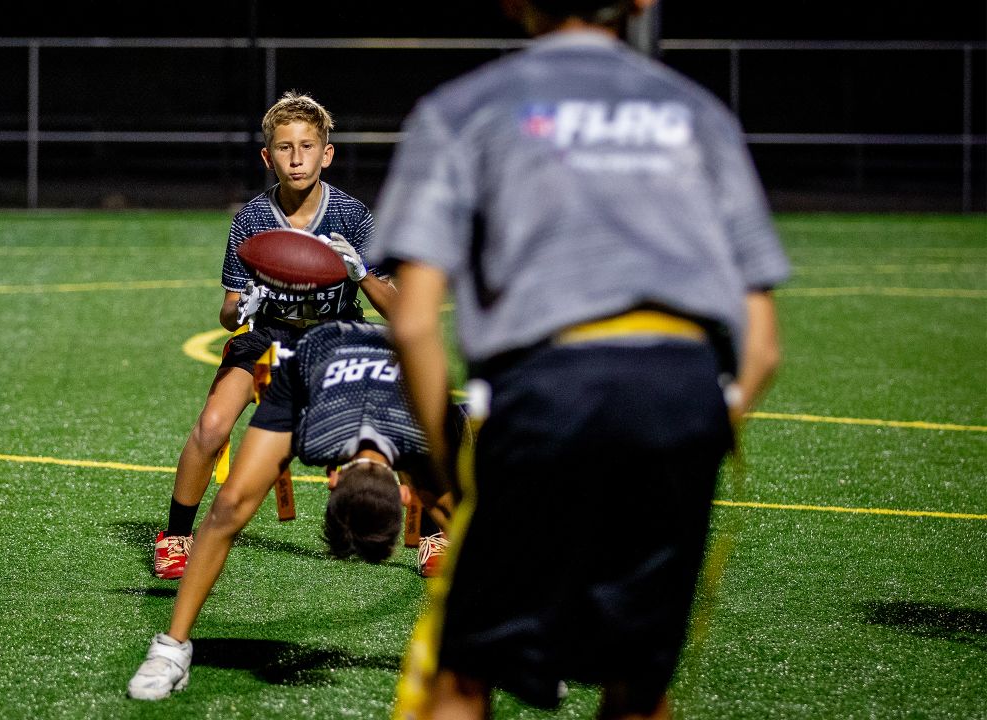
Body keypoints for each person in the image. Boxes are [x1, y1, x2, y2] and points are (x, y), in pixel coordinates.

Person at [371, 1, 790, 718]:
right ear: (637, 3)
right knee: (636, 684)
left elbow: (411, 322)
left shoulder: (461, 108)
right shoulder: (697, 111)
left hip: (547, 393)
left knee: (464, 675)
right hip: (679, 394)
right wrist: (699, 426)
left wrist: (455, 469)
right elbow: (764, 342)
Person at [127, 320, 454, 701]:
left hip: (379, 359)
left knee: (231, 506)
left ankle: (171, 649)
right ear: (408, 495)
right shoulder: (406, 432)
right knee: (231, 503)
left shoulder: (414, 426)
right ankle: (172, 647)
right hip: (306, 361)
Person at [153, 91, 399, 580]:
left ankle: (433, 532)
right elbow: (228, 311)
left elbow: (397, 309)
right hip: (269, 341)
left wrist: (361, 273)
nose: (297, 157)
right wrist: (242, 306)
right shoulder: (252, 218)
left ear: (326, 153)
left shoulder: (352, 216)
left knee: (396, 425)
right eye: (285, 148)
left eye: (307, 146)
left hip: (338, 340)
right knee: (212, 426)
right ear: (268, 157)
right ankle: (177, 534)